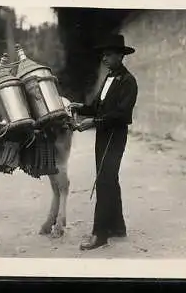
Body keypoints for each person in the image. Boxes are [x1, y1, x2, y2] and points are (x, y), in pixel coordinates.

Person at [69, 33, 139, 250]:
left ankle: (99, 234)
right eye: (103, 55)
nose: (104, 58)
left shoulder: (128, 81)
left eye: (108, 55)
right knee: (109, 178)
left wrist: (94, 122)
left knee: (104, 179)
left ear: (120, 56)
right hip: (103, 135)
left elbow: (122, 114)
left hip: (115, 136)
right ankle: (118, 226)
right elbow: (95, 107)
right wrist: (78, 107)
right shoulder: (108, 78)